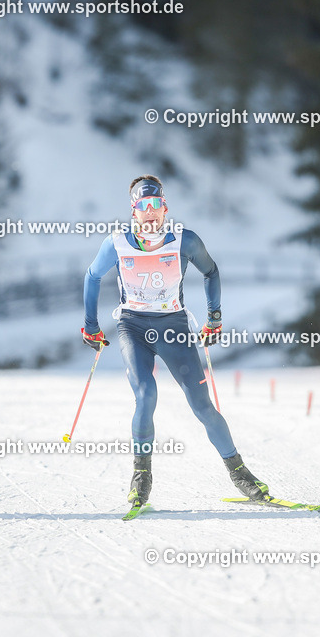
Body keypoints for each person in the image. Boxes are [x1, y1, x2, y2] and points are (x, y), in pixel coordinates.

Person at [81, 175, 269, 508]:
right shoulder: (117, 243)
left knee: (202, 405)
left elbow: (211, 272)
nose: (150, 213)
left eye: (156, 205)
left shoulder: (184, 241)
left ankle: (240, 473)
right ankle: (141, 476)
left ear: (165, 209)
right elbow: (92, 276)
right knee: (146, 394)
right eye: (143, 206)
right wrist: (90, 326)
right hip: (133, 327)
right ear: (134, 212)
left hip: (174, 327)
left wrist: (214, 319)